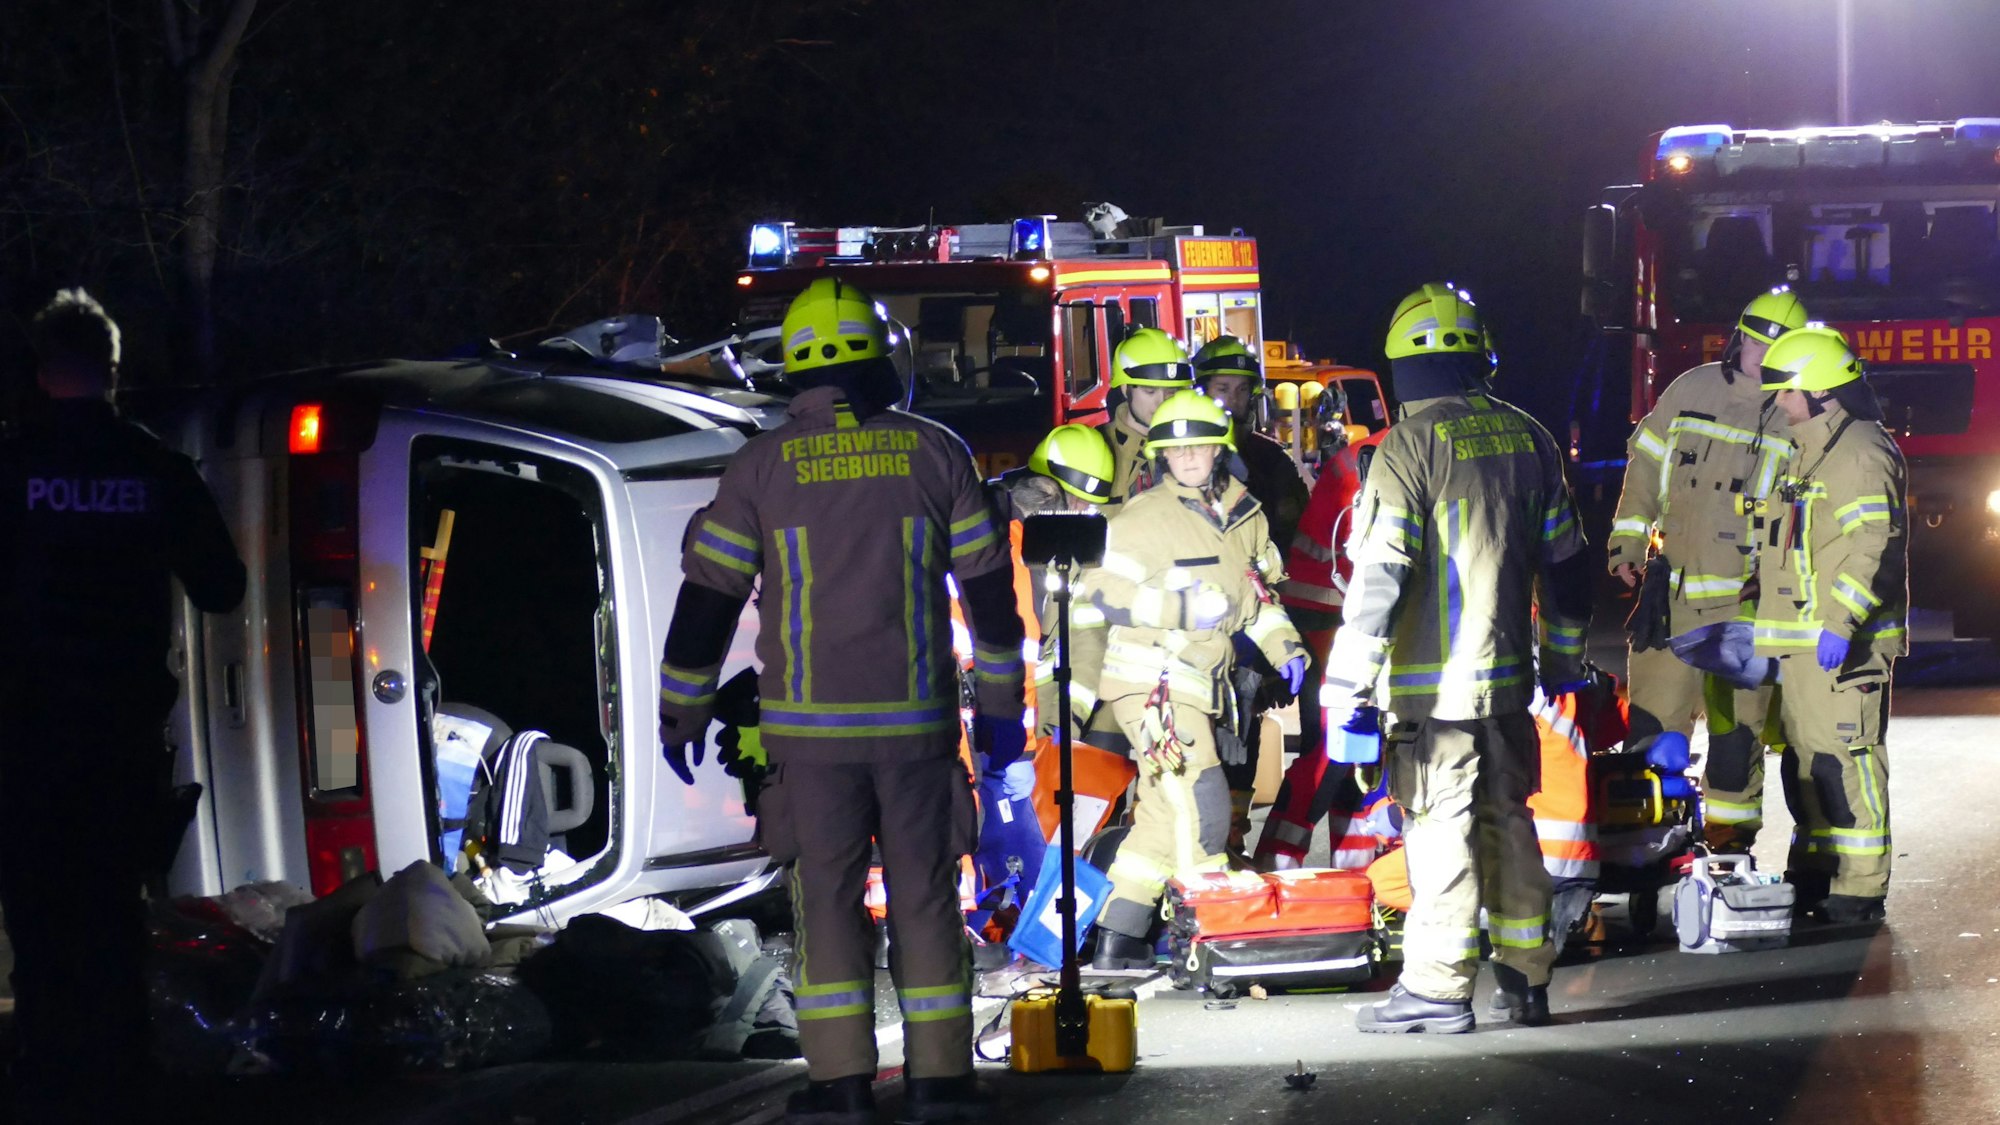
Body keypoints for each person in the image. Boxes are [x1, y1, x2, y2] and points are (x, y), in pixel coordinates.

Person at [657, 277, 1026, 1123]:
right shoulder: (937, 452)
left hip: (808, 743)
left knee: (824, 901)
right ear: (881, 359)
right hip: (918, 733)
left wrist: (681, 707)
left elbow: (708, 595)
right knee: (926, 897)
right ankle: (939, 1081)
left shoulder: (759, 467)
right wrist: (1000, 703)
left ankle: (842, 1087)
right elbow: (989, 590)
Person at [0, 289, 245, 1122]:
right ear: (111, 371)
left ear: (40, 373)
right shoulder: (155, 470)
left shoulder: (10, 469)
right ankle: (120, 1081)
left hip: (25, 740)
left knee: (38, 923)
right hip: (120, 737)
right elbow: (223, 586)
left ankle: (45, 1078)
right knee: (111, 919)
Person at [1323, 283, 1591, 1033]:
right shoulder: (1530, 437)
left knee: (1441, 830)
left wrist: (1346, 684)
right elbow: (1569, 569)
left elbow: (1380, 576)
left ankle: (1437, 991)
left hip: (1432, 695)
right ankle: (1526, 979)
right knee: (1510, 824)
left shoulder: (1407, 448)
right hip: (1509, 684)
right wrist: (1563, 660)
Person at [1075, 389, 1306, 969]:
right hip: (1149, 684)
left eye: (1195, 447)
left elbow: (1259, 600)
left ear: (1216, 449)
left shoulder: (1247, 515)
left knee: (1159, 818)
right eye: (1173, 450)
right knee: (1201, 804)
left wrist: (1287, 647)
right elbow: (1102, 591)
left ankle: (1117, 941)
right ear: (1161, 458)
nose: (1185, 458)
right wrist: (1181, 608)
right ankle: (1205, 936)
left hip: (1199, 684)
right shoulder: (1144, 518)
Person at [1606, 289, 1808, 851]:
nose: (1759, 357)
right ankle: (1643, 844)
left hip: (1749, 607)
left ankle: (1730, 844)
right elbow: (1644, 467)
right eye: (1754, 342)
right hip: (1673, 595)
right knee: (1652, 724)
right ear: (1737, 335)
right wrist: (1628, 543)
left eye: (1774, 350)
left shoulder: (1799, 411)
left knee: (1735, 739)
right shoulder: (1690, 389)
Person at [1752, 326, 1906, 925]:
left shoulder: (1860, 452)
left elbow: (1875, 545)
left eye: (1786, 391)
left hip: (1842, 642)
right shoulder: (1810, 447)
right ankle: (1819, 866)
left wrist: (1841, 622)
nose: (1779, 402)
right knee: (1810, 761)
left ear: (1819, 392)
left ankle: (1861, 886)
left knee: (1848, 759)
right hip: (1804, 639)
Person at [1191, 335, 1312, 856]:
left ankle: (1231, 839)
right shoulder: (1177, 452)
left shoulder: (1270, 463)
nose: (1231, 402)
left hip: (1247, 623)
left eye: (1241, 392)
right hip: (1184, 626)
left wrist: (1279, 645)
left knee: (1241, 720)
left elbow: (1291, 549)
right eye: (1221, 389)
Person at [1097, 327, 1195, 508]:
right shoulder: (1095, 448)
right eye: (1150, 391)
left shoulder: (1196, 452)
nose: (1162, 402)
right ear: (1126, 389)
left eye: (1171, 392)